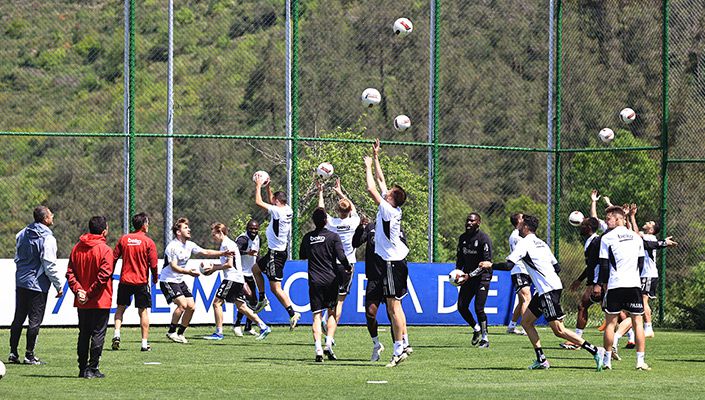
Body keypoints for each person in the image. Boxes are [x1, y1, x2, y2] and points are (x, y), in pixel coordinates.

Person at [491, 214, 604, 371]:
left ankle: (595, 350)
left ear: (525, 227)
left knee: (559, 330)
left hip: (548, 290)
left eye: (520, 225)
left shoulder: (524, 244)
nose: (518, 227)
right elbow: (556, 267)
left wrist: (490, 265)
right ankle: (541, 360)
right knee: (526, 322)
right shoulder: (542, 243)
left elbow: (509, 265)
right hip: (547, 288)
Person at [364, 138, 410, 368]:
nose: (387, 190)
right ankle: (403, 344)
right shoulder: (393, 206)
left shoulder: (388, 209)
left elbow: (372, 187)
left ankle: (399, 348)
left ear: (390, 198)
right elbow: (381, 181)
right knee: (396, 306)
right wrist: (376, 157)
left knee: (393, 307)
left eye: (389, 192)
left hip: (392, 263)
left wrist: (366, 166)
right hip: (396, 260)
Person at [160, 218, 230, 344]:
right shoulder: (172, 247)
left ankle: (180, 333)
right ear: (178, 232)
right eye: (185, 228)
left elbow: (206, 252)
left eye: (188, 227)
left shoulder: (189, 245)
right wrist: (189, 273)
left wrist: (223, 252)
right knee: (182, 304)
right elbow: (174, 267)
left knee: (191, 307)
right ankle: (171, 331)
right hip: (168, 280)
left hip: (179, 280)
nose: (189, 229)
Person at [596, 206, 649, 370]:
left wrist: (602, 285)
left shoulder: (606, 238)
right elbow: (641, 264)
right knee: (637, 322)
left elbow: (604, 266)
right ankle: (640, 362)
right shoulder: (636, 237)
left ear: (618, 218)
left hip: (615, 285)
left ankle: (607, 361)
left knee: (610, 324)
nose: (607, 221)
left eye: (609, 218)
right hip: (633, 285)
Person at [9, 206, 63, 365]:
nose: (53, 216)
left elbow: (17, 255)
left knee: (18, 317)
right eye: (50, 214)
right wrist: (58, 285)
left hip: (21, 281)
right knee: (35, 320)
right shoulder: (48, 238)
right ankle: (29, 355)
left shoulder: (22, 233)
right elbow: (49, 264)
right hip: (37, 284)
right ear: (45, 219)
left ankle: (13, 353)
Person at [201, 223, 271, 341]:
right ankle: (263, 327)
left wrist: (214, 268)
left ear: (221, 233)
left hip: (232, 278)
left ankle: (218, 333)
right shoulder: (227, 244)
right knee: (242, 307)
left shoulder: (227, 245)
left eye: (214, 235)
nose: (213, 237)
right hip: (237, 279)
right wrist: (215, 267)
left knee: (216, 303)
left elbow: (229, 264)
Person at [299, 208, 351, 362]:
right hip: (331, 279)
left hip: (315, 280)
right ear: (326, 221)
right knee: (332, 312)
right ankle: (328, 342)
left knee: (316, 316)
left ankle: (318, 350)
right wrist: (347, 267)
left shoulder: (308, 237)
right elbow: (341, 256)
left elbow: (302, 255)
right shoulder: (333, 237)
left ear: (314, 222)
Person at [65, 216, 114, 378]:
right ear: (104, 230)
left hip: (82, 300)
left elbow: (70, 273)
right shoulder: (105, 250)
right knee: (98, 333)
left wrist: (79, 291)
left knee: (84, 333)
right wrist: (89, 293)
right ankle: (92, 368)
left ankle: (82, 368)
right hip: (100, 299)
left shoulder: (77, 247)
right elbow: (104, 276)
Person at [251, 175, 301, 329]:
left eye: (273, 200)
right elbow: (272, 200)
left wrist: (259, 185)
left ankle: (293, 313)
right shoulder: (288, 209)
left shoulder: (278, 211)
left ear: (277, 202)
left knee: (276, 287)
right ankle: (262, 298)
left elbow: (258, 202)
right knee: (255, 269)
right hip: (277, 251)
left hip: (276, 254)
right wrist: (268, 187)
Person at [317, 178, 361, 327]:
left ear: (337, 211)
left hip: (332, 264)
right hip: (347, 264)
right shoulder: (354, 222)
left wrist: (320, 192)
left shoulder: (333, 224)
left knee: (331, 299)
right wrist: (340, 192)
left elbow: (321, 212)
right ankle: (331, 332)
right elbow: (352, 208)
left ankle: (326, 321)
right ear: (348, 211)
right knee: (340, 301)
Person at [111, 212, 158, 352]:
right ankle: (144, 343)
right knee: (143, 311)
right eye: (147, 222)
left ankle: (117, 334)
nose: (148, 225)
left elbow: (113, 258)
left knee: (120, 308)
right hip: (141, 282)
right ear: (144, 225)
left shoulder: (124, 239)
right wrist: (155, 277)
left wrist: (110, 274)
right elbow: (154, 264)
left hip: (125, 280)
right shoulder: (148, 242)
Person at [561, 217, 602, 350]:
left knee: (583, 306)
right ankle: (631, 335)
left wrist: (598, 283)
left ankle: (577, 340)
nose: (581, 227)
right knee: (612, 311)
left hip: (598, 281)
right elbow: (590, 265)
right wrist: (579, 280)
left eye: (583, 225)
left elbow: (599, 264)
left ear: (589, 227)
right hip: (595, 280)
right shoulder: (590, 241)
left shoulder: (596, 242)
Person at [454, 212, 493, 348]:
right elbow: (460, 258)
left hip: (482, 277)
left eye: (472, 221)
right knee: (462, 307)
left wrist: (469, 275)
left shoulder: (483, 239)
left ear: (478, 223)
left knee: (479, 308)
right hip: (468, 277)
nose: (469, 223)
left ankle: (485, 338)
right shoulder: (463, 238)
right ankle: (476, 328)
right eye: (467, 220)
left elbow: (485, 263)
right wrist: (458, 273)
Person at [233, 219, 260, 336]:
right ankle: (237, 325)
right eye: (251, 229)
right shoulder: (242, 239)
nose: (254, 231)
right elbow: (234, 251)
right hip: (241, 274)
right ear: (247, 228)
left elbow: (257, 254)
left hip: (251, 273)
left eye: (255, 229)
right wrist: (246, 252)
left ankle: (248, 327)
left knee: (254, 301)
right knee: (245, 299)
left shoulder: (259, 239)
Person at [506, 212, 529, 336]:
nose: (524, 219)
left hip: (524, 270)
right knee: (526, 298)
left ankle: (512, 326)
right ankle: (526, 327)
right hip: (519, 270)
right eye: (522, 218)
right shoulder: (516, 236)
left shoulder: (519, 235)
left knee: (521, 301)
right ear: (518, 221)